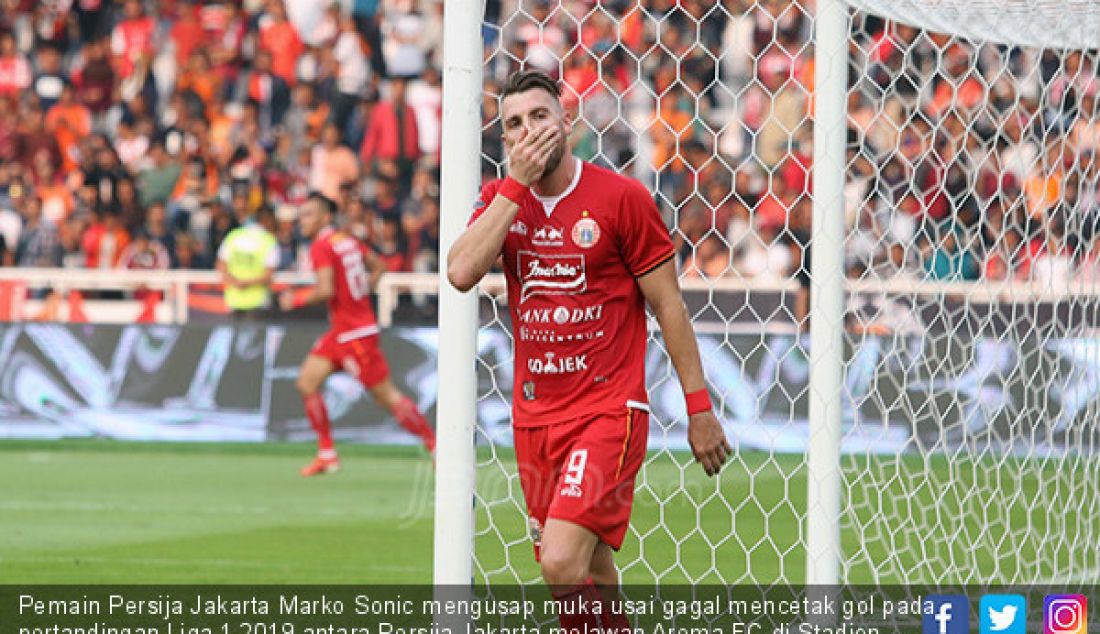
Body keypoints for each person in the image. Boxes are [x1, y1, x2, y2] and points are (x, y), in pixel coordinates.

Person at [446, 70, 731, 633]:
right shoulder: (500, 202)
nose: (529, 131)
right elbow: (459, 271)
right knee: (593, 575)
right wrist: (515, 186)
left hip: (609, 410)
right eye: (514, 125)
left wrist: (699, 408)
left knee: (559, 561)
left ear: (566, 123)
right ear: (505, 141)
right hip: (534, 419)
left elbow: (668, 305)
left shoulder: (620, 199)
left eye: (540, 116)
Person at [280, 192, 435, 476]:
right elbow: (380, 265)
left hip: (355, 334)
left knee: (385, 396)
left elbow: (325, 289)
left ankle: (435, 445)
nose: (302, 220)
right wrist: (362, 293)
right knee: (307, 382)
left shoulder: (322, 246)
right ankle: (327, 454)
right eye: (301, 215)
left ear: (326, 217)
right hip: (341, 331)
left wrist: (296, 299)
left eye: (309, 214)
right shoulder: (347, 240)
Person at [217, 203, 279, 320]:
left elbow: (220, 265)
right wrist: (246, 283)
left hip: (233, 299)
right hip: (258, 301)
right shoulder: (269, 240)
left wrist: (236, 282)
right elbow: (268, 275)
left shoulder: (233, 236)